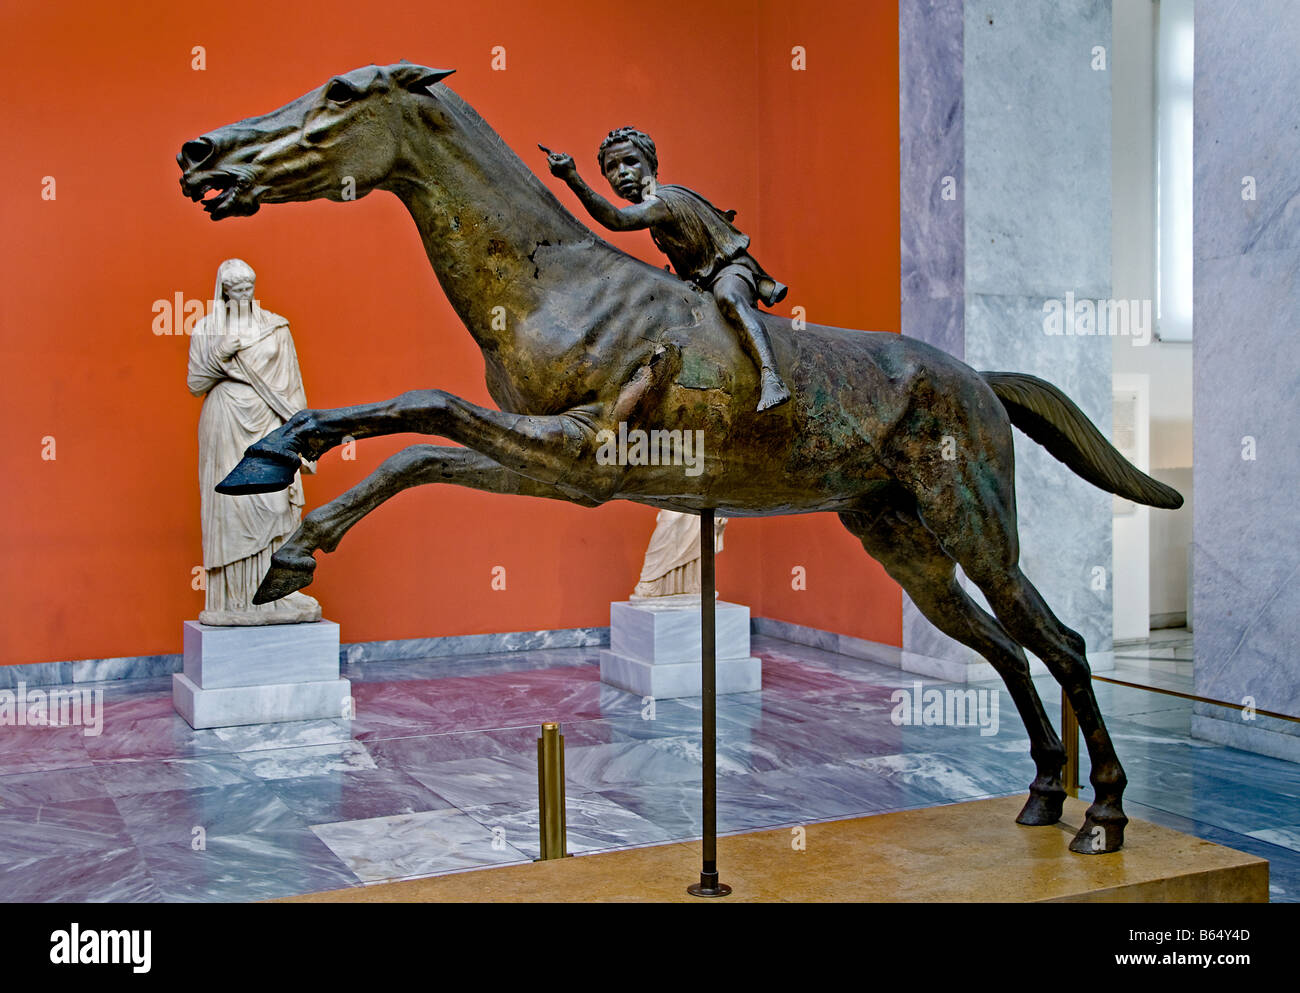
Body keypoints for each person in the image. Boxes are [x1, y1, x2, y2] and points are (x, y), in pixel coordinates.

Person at [543, 127, 792, 411]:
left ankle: (772, 376)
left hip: (728, 271)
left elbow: (617, 220)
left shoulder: (663, 201)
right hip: (699, 281)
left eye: (631, 162)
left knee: (729, 298)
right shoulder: (654, 208)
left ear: (652, 165)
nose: (622, 173)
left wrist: (573, 179)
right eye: (612, 168)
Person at [187, 258, 320, 625]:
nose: (245, 294)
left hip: (267, 421)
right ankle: (234, 600)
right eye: (238, 289)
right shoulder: (207, 328)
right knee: (231, 509)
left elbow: (292, 384)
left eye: (249, 287)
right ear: (225, 291)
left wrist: (303, 435)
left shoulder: (276, 327)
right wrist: (219, 354)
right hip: (225, 420)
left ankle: (278, 594)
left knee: (276, 504)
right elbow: (195, 383)